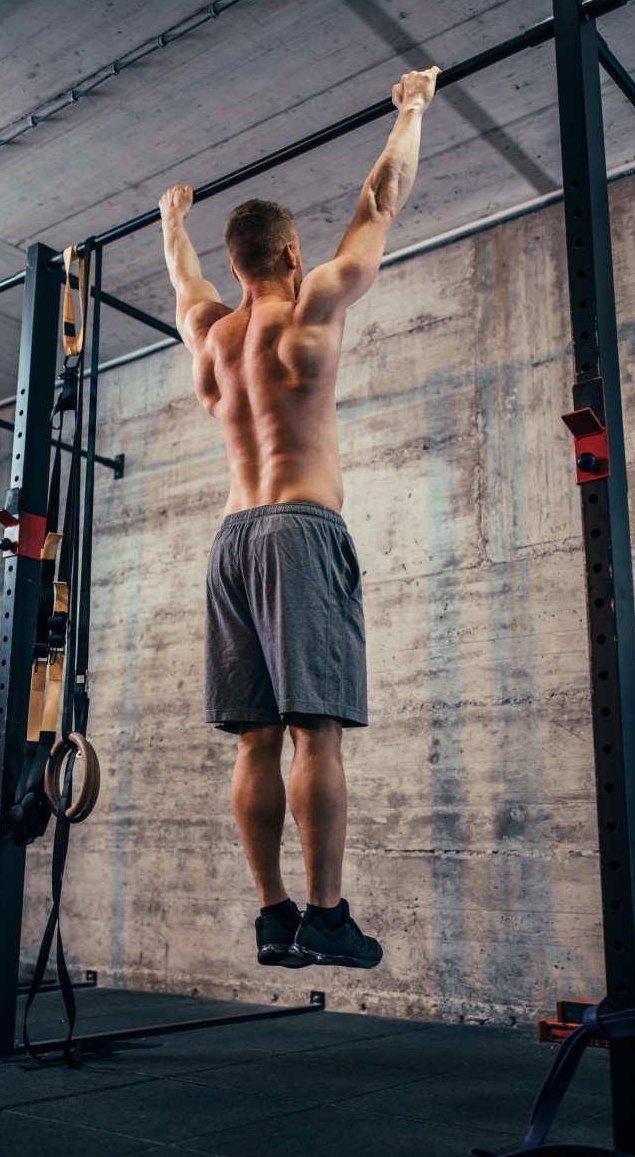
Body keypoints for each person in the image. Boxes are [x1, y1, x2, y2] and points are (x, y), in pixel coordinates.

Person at [160, 66, 441, 970]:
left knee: (254, 737)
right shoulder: (310, 307)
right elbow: (380, 200)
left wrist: (173, 223)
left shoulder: (209, 336)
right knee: (315, 730)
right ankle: (326, 913)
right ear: (288, 257)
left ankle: (272, 914)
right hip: (300, 531)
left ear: (235, 268)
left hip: (231, 541)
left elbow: (181, 277)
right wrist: (411, 111)